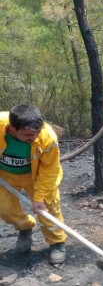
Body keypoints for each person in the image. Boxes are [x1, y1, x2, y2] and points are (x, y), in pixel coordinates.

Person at [0, 105, 67, 264]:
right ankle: (25, 227)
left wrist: (39, 197)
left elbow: (50, 170)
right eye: (29, 134)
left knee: (48, 207)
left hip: (36, 176)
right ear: (12, 128)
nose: (35, 137)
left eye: (37, 132)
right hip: (6, 175)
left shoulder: (47, 137)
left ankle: (57, 242)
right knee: (5, 208)